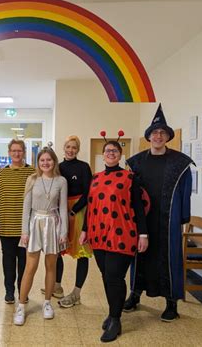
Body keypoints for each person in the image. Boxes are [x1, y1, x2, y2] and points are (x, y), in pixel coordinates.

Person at [123, 104, 193, 322]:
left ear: (168, 137)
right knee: (140, 257)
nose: (158, 136)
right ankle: (135, 294)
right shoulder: (136, 162)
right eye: (155, 132)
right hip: (142, 220)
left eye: (163, 133)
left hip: (168, 220)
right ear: (149, 136)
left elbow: (185, 192)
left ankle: (171, 302)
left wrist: (183, 217)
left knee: (169, 258)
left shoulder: (180, 163)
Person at [79, 139, 149, 342]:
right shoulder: (95, 178)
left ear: (120, 155)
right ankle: (112, 312)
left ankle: (116, 319)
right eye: (107, 150)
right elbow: (90, 206)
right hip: (98, 234)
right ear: (103, 154)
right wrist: (84, 230)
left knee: (114, 277)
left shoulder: (129, 178)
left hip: (122, 234)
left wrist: (143, 234)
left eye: (115, 151)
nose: (111, 153)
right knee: (105, 276)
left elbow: (138, 207)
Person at [13, 146, 68, 326]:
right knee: (30, 266)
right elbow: (26, 208)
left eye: (49, 160)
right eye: (42, 160)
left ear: (54, 161)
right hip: (35, 222)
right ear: (38, 162)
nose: (46, 163)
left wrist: (64, 231)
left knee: (51, 266)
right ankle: (21, 305)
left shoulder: (61, 181)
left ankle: (47, 303)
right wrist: (25, 231)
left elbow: (63, 209)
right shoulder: (32, 179)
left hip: (53, 223)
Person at [0, 139, 35, 304]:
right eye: (14, 151)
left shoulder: (32, 173)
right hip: (6, 223)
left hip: (25, 226)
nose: (17, 153)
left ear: (24, 152)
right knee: (8, 260)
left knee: (24, 260)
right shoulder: (1, 174)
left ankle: (22, 290)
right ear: (9, 152)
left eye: (20, 150)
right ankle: (9, 291)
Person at [54, 135, 93, 308]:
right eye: (68, 147)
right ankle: (56, 285)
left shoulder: (84, 167)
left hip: (79, 211)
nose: (71, 150)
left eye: (74, 148)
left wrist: (73, 210)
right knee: (56, 250)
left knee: (82, 252)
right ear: (64, 147)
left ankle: (76, 292)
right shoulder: (58, 167)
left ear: (78, 150)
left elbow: (88, 193)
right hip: (60, 211)